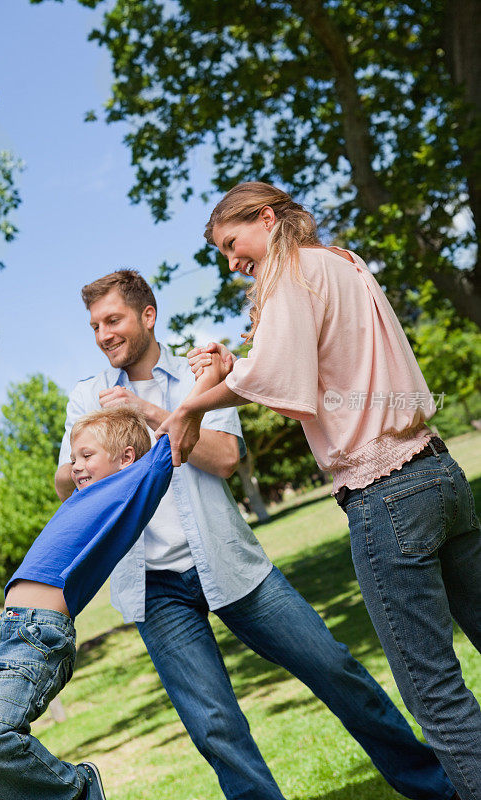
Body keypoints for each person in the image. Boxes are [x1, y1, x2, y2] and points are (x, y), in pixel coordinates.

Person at [56, 267, 457, 800]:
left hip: (229, 562)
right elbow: (68, 482)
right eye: (95, 326)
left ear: (147, 316)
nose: (104, 334)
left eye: (113, 320)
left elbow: (224, 459)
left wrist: (152, 415)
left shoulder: (199, 375)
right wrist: (85, 465)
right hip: (154, 587)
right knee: (216, 729)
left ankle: (438, 789)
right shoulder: (88, 396)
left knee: (335, 670)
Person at [158, 181, 481, 800]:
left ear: (270, 218)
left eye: (232, 243)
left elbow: (279, 378)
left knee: (433, 693)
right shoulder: (343, 264)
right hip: (440, 475)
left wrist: (191, 406)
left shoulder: (288, 277)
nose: (232, 263)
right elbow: (303, 380)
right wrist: (238, 366)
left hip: (385, 495)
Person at [0, 405, 176, 800]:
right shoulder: (78, 497)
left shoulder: (138, 479)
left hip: (36, 637)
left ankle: (78, 791)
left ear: (126, 458)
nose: (76, 467)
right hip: (0, 634)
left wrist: (209, 377)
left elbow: (181, 428)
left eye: (87, 456)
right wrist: (81, 451)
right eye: (74, 459)